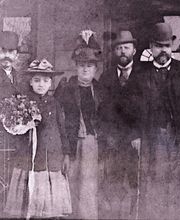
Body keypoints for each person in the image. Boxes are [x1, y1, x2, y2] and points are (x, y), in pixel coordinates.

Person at [136, 22, 180, 220]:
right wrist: (134, 135)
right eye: (159, 46)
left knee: (179, 186)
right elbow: (127, 108)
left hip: (179, 137)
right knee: (155, 185)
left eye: (167, 46)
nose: (163, 50)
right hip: (152, 138)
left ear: (172, 47)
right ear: (151, 47)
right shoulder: (140, 74)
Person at [4, 59, 72, 218]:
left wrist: (66, 154)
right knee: (29, 201)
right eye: (37, 80)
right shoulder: (23, 103)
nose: (41, 84)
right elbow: (16, 129)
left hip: (53, 155)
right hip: (30, 157)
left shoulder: (55, 104)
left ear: (50, 83)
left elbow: (62, 130)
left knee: (50, 206)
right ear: (31, 82)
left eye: (45, 80)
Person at [55, 30, 102, 219]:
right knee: (71, 184)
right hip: (72, 143)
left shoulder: (100, 90)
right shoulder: (66, 89)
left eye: (90, 66)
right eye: (82, 65)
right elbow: (59, 122)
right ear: (76, 66)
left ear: (95, 69)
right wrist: (65, 152)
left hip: (93, 144)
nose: (85, 70)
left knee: (89, 187)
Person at [98, 30, 141, 219]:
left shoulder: (144, 75)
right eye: (119, 48)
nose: (123, 51)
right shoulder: (106, 77)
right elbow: (102, 111)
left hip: (136, 141)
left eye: (126, 47)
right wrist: (108, 135)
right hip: (113, 140)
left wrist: (137, 135)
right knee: (113, 183)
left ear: (134, 50)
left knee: (135, 183)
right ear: (115, 52)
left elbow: (146, 110)